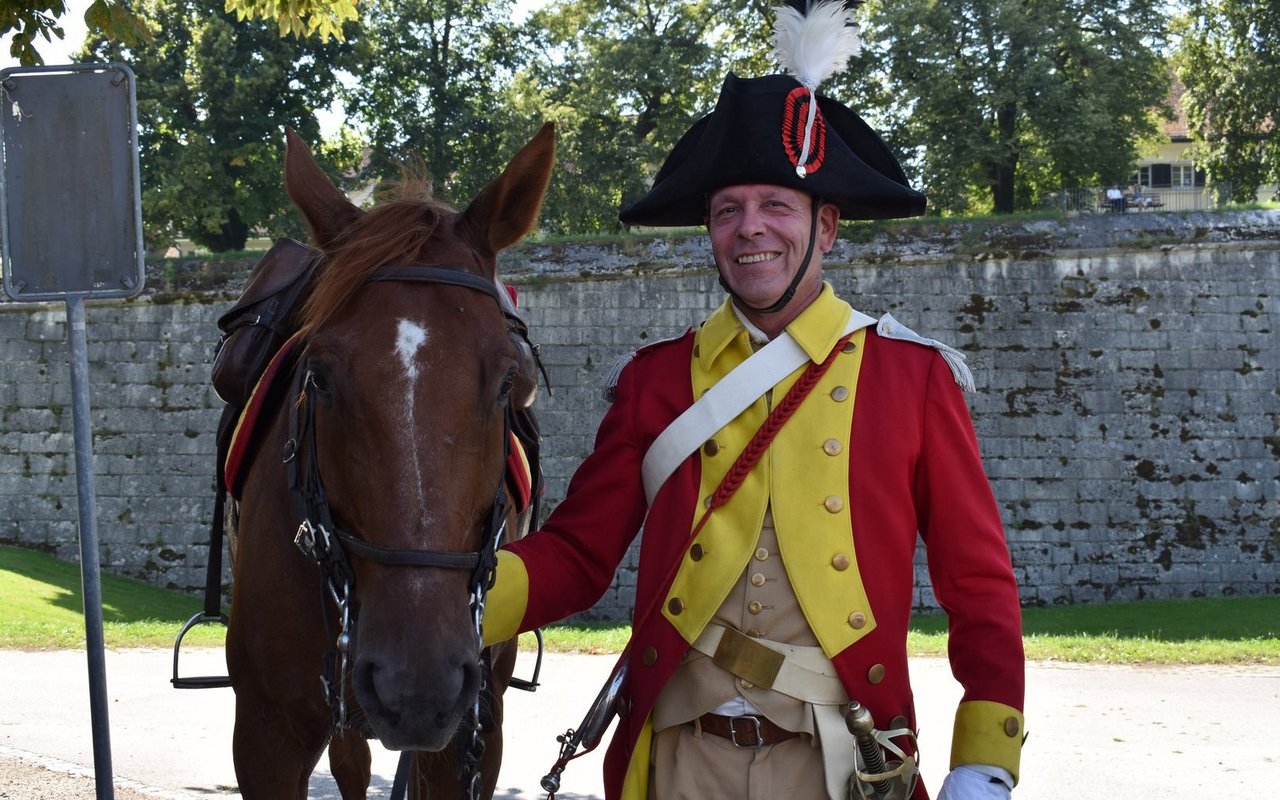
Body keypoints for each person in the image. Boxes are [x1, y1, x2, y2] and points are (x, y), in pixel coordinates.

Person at [483, 2, 1025, 799]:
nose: (750, 230)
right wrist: (453, 601)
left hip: (843, 763)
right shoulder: (657, 380)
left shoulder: (913, 378)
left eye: (777, 206)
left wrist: (986, 755)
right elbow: (577, 555)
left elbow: (978, 583)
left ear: (827, 226)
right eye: (727, 210)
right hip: (679, 761)